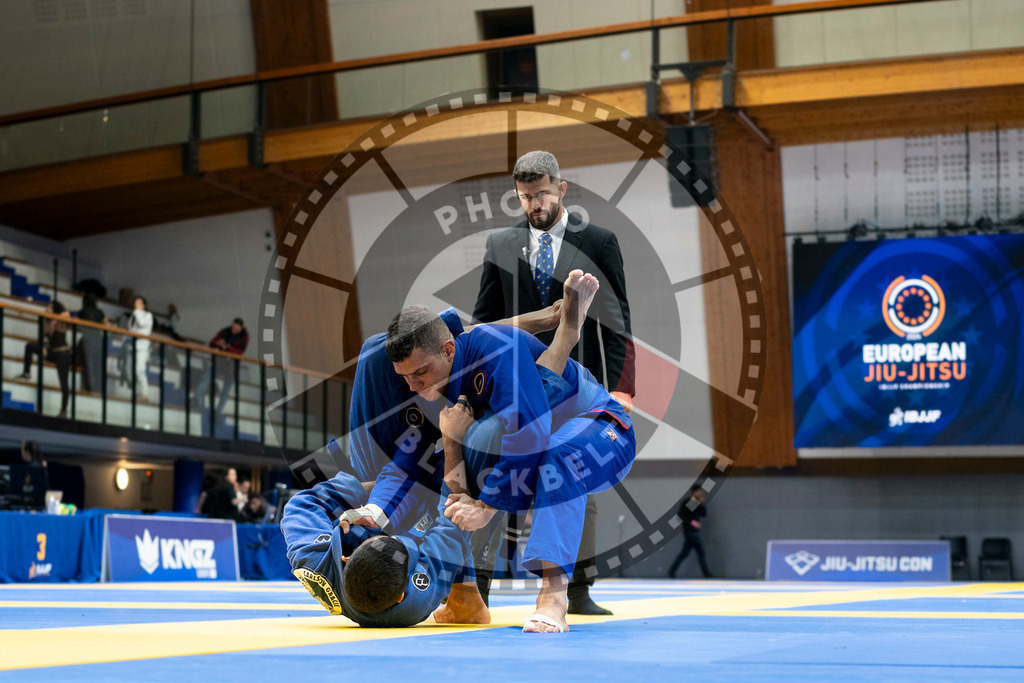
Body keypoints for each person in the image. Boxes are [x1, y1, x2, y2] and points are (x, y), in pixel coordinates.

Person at [386, 273, 636, 633]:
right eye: (405, 377)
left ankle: (553, 596)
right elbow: (456, 488)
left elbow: (531, 432)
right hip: (544, 427)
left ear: (448, 350)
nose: (414, 385)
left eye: (420, 373)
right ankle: (465, 595)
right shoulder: (450, 377)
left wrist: (488, 508)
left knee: (553, 456)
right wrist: (452, 441)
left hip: (604, 429)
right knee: (469, 450)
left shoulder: (492, 347)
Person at [472, 150, 635, 616]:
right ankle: (475, 588)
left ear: (561, 189)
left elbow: (618, 321)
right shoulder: (500, 244)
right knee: (488, 466)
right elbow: (484, 321)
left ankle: (578, 591)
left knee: (575, 471)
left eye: (541, 193)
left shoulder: (600, 241)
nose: (533, 204)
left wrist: (622, 387)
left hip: (576, 384)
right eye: (525, 197)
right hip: (511, 380)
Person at [283, 468, 472, 627]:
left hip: (369, 505)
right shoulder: (418, 596)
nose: (384, 534)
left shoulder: (315, 561)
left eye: (377, 539)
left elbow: (300, 505)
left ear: (347, 558)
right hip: (424, 518)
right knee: (468, 498)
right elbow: (454, 526)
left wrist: (372, 496)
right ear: (401, 596)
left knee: (393, 477)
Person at [18, 301, 73, 418]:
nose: (46, 308)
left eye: (49, 307)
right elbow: (41, 337)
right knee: (30, 346)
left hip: (63, 353)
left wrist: (56, 316)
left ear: (54, 309)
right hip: (52, 352)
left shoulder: (60, 320)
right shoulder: (46, 322)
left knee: (64, 382)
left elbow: (67, 314)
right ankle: (26, 372)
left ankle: (64, 410)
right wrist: (42, 346)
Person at [192, 318, 249, 420]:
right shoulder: (225, 331)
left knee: (226, 390)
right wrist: (219, 343)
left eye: (237, 329)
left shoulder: (244, 336)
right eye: (233, 328)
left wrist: (229, 348)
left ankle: (218, 412)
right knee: (206, 379)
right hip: (219, 361)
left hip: (231, 365)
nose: (234, 330)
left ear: (241, 328)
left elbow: (240, 351)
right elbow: (212, 342)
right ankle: (195, 399)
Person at [667, 485, 713, 579]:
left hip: (693, 531)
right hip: (690, 531)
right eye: (699, 491)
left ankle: (672, 570)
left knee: (684, 553)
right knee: (701, 552)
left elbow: (703, 514)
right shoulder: (689, 502)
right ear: (694, 492)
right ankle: (706, 573)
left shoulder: (696, 502)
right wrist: (693, 522)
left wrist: (702, 504)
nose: (700, 493)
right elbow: (683, 516)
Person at [76, 292, 108, 393]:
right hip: (98, 339)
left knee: (89, 365)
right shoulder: (100, 312)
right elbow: (105, 323)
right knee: (98, 366)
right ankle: (97, 389)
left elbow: (78, 325)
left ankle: (90, 388)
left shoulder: (83, 311)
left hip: (89, 339)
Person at [125, 295, 153, 402]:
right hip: (131, 345)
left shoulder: (147, 315)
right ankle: (136, 392)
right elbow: (131, 330)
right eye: (135, 303)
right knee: (129, 370)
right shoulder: (133, 316)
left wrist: (137, 312)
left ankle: (144, 394)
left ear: (143, 305)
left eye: (139, 303)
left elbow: (142, 324)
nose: (136, 305)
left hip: (142, 346)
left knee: (139, 370)